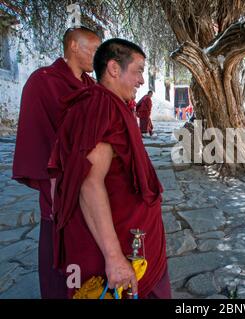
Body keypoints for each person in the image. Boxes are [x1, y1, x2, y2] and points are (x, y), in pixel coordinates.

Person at [48, 38, 170, 299]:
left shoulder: (111, 104)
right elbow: (89, 183)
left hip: (134, 234)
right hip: (119, 246)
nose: (140, 80)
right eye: (138, 71)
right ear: (114, 68)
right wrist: (114, 257)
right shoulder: (100, 106)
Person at [12, 27, 101, 299]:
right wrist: (53, 182)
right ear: (73, 46)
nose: (97, 58)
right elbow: (36, 133)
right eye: (93, 50)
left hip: (90, 180)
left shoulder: (91, 87)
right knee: (59, 245)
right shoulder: (43, 81)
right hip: (58, 182)